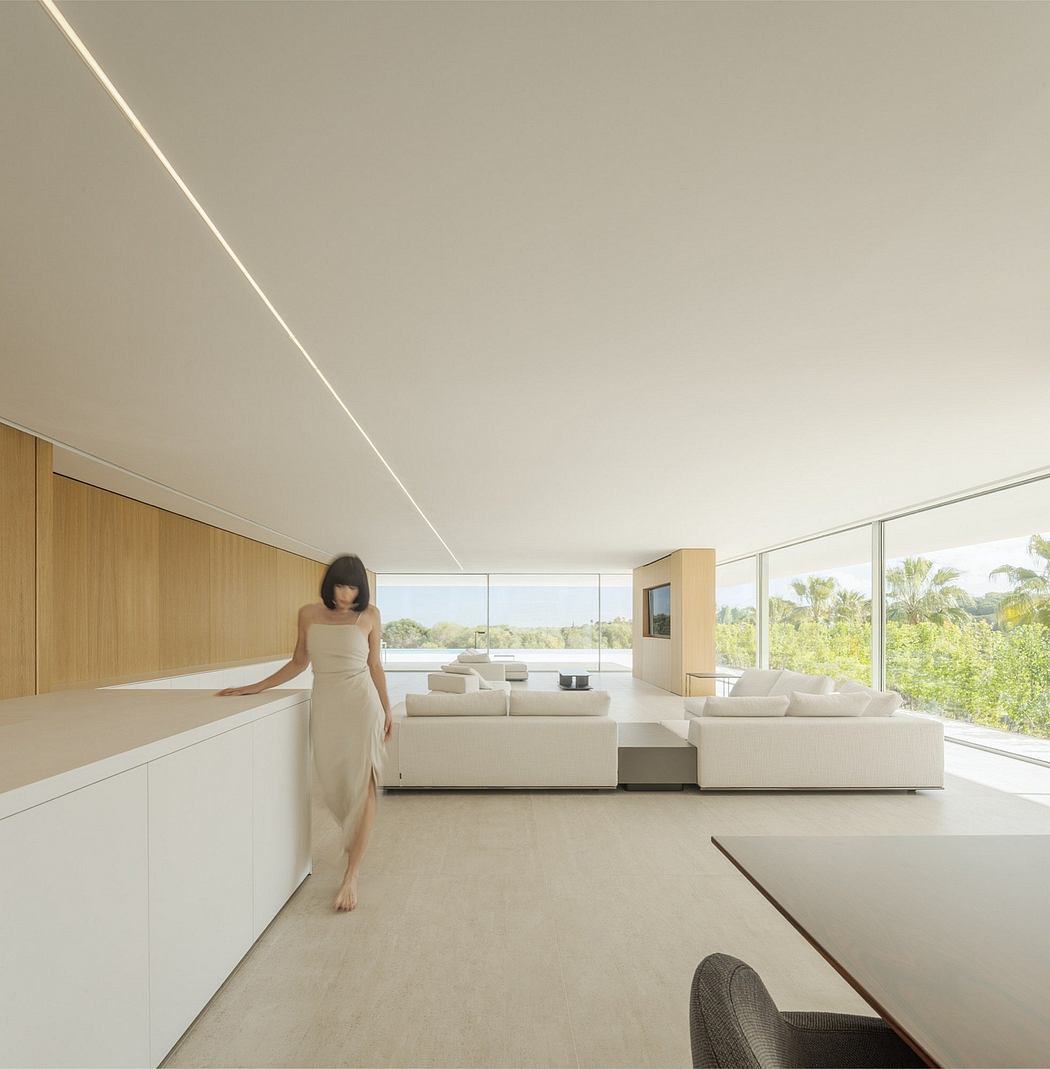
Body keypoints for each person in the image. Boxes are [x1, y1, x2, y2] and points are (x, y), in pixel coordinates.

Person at [220, 554, 392, 912]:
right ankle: (353, 837)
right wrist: (255, 686)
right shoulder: (308, 614)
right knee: (334, 784)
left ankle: (351, 874)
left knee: (364, 784)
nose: (345, 594)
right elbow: (299, 662)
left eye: (352, 588)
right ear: (329, 585)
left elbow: (374, 665)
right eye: (340, 586)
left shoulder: (370, 616)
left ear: (361, 589)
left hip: (362, 707)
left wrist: (388, 709)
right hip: (327, 708)